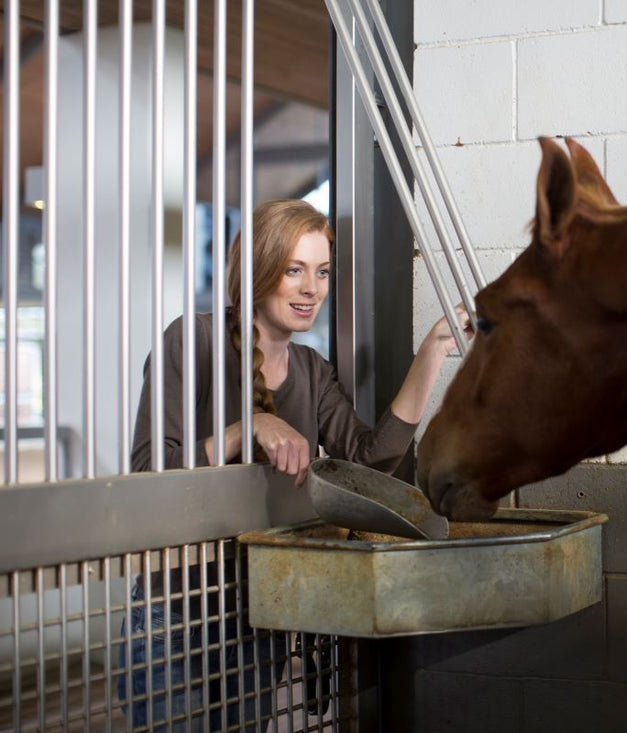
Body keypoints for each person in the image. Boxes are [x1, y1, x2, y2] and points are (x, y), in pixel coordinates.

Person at [119, 198, 470, 730]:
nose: (313, 289)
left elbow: (369, 457)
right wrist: (250, 426)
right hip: (177, 616)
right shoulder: (194, 341)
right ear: (260, 272)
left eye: (322, 272)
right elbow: (150, 472)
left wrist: (434, 350)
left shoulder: (311, 369)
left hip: (259, 611)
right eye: (294, 270)